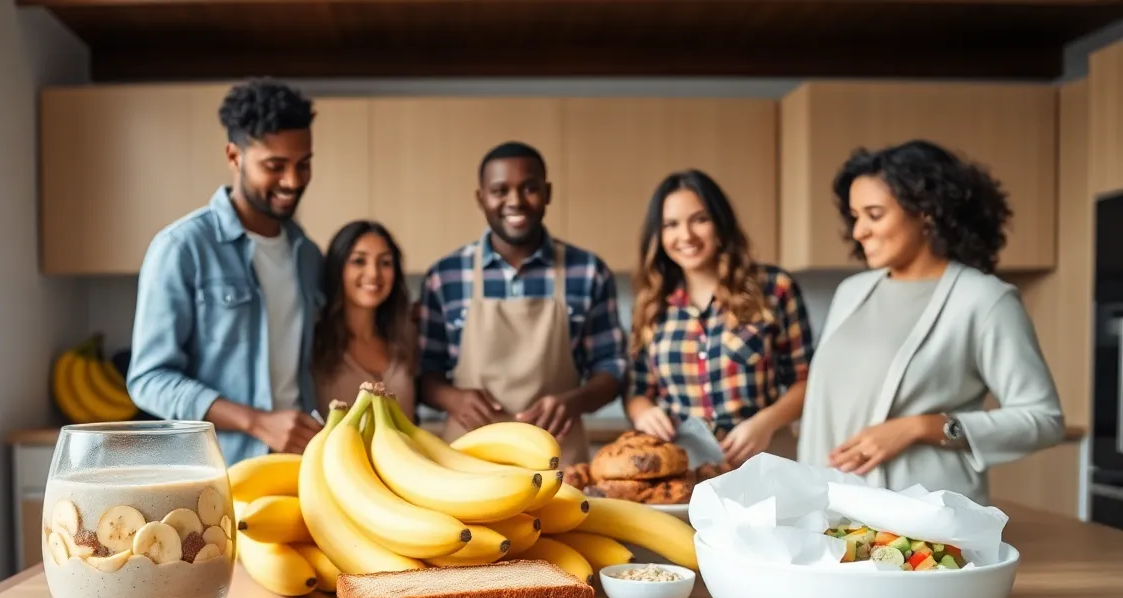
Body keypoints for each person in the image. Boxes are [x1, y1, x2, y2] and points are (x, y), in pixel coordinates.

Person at [797, 139, 1064, 504]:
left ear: (926, 212)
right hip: (830, 515)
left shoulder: (983, 300)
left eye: (874, 215)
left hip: (924, 521)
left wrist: (920, 427)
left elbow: (1044, 419)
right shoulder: (851, 292)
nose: (859, 232)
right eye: (855, 217)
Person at [126, 78, 325, 464]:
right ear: (234, 157)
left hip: (299, 467)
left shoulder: (307, 254)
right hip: (216, 469)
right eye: (275, 166)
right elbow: (148, 380)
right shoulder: (182, 248)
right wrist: (256, 422)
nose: (293, 181)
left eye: (304, 164)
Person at [417, 141, 627, 467]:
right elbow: (424, 370)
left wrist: (575, 401)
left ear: (548, 193)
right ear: (480, 198)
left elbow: (612, 368)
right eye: (500, 190)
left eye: (529, 188)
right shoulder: (445, 276)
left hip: (559, 460)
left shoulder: (588, 272)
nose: (515, 201)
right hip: (465, 461)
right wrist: (451, 397)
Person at [625, 170, 814, 467]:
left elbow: (806, 380)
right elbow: (637, 391)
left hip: (765, 460)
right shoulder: (651, 303)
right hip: (685, 468)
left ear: (720, 223)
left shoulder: (774, 288)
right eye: (671, 225)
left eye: (700, 219)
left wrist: (764, 423)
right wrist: (643, 412)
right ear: (658, 235)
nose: (686, 236)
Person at [312, 220, 418, 419]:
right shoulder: (315, 343)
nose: (373, 273)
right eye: (359, 261)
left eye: (385, 263)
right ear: (338, 269)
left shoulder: (406, 337)